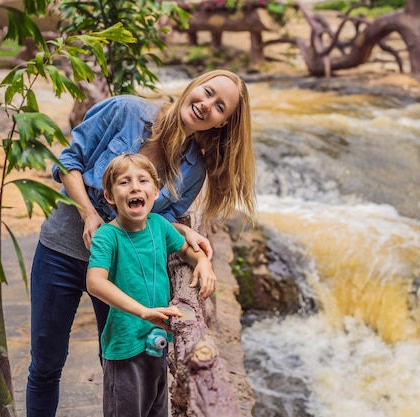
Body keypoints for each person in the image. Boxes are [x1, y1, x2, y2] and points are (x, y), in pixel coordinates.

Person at [26, 69, 256, 417]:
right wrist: (90, 215)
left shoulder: (194, 171)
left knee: (119, 364)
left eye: (219, 106)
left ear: (222, 122)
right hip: (60, 249)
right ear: (193, 86)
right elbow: (67, 162)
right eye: (206, 92)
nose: (206, 105)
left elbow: (157, 222)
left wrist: (197, 251)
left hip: (121, 269)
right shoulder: (125, 111)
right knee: (46, 363)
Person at [87, 153, 216, 417]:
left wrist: (203, 261)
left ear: (155, 192)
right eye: (124, 182)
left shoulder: (159, 226)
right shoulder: (107, 236)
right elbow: (95, 283)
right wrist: (143, 312)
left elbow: (186, 251)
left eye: (143, 180)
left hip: (157, 342)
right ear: (110, 196)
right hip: (125, 349)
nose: (135, 187)